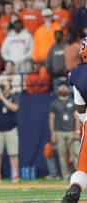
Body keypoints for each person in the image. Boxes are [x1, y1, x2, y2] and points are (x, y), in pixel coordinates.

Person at [61, 36, 87, 203]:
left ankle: (76, 186)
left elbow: (81, 110)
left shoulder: (78, 74)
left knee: (84, 168)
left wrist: (85, 123)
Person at [0, 79, 20, 184]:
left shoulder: (14, 96)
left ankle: (15, 175)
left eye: (5, 85)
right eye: (2, 85)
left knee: (13, 154)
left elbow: (15, 108)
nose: (3, 87)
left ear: (9, 86)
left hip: (11, 129)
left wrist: (3, 98)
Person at [49, 82, 80, 181]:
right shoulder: (54, 103)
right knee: (62, 154)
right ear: (58, 89)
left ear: (68, 89)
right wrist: (53, 133)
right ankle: (66, 176)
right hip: (59, 132)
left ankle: (78, 175)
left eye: (65, 87)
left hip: (71, 131)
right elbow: (51, 119)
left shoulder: (72, 101)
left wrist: (77, 131)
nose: (63, 88)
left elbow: (77, 118)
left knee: (76, 153)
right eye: (61, 86)